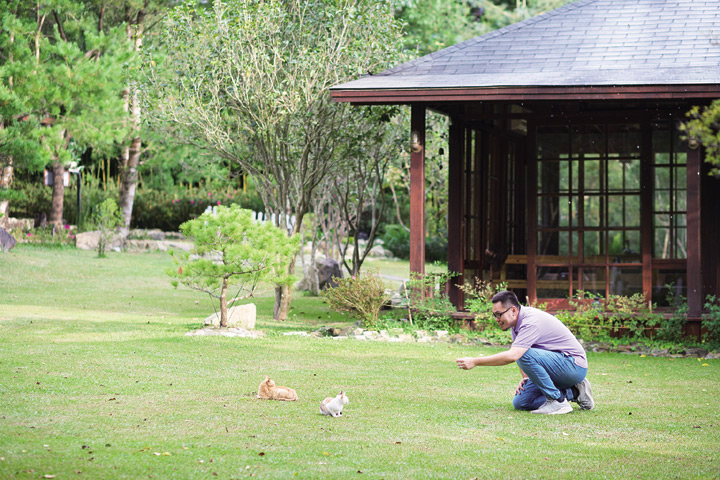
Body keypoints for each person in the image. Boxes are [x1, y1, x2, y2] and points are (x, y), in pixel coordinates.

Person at [456, 290, 594, 414]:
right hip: (557, 366)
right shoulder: (515, 325)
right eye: (494, 315)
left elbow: (515, 355)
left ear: (513, 311)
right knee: (521, 402)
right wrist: (526, 378)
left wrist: (475, 361)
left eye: (499, 314)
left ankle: (557, 401)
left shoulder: (531, 321)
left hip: (574, 366)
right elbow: (521, 352)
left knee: (524, 354)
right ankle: (574, 392)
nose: (497, 319)